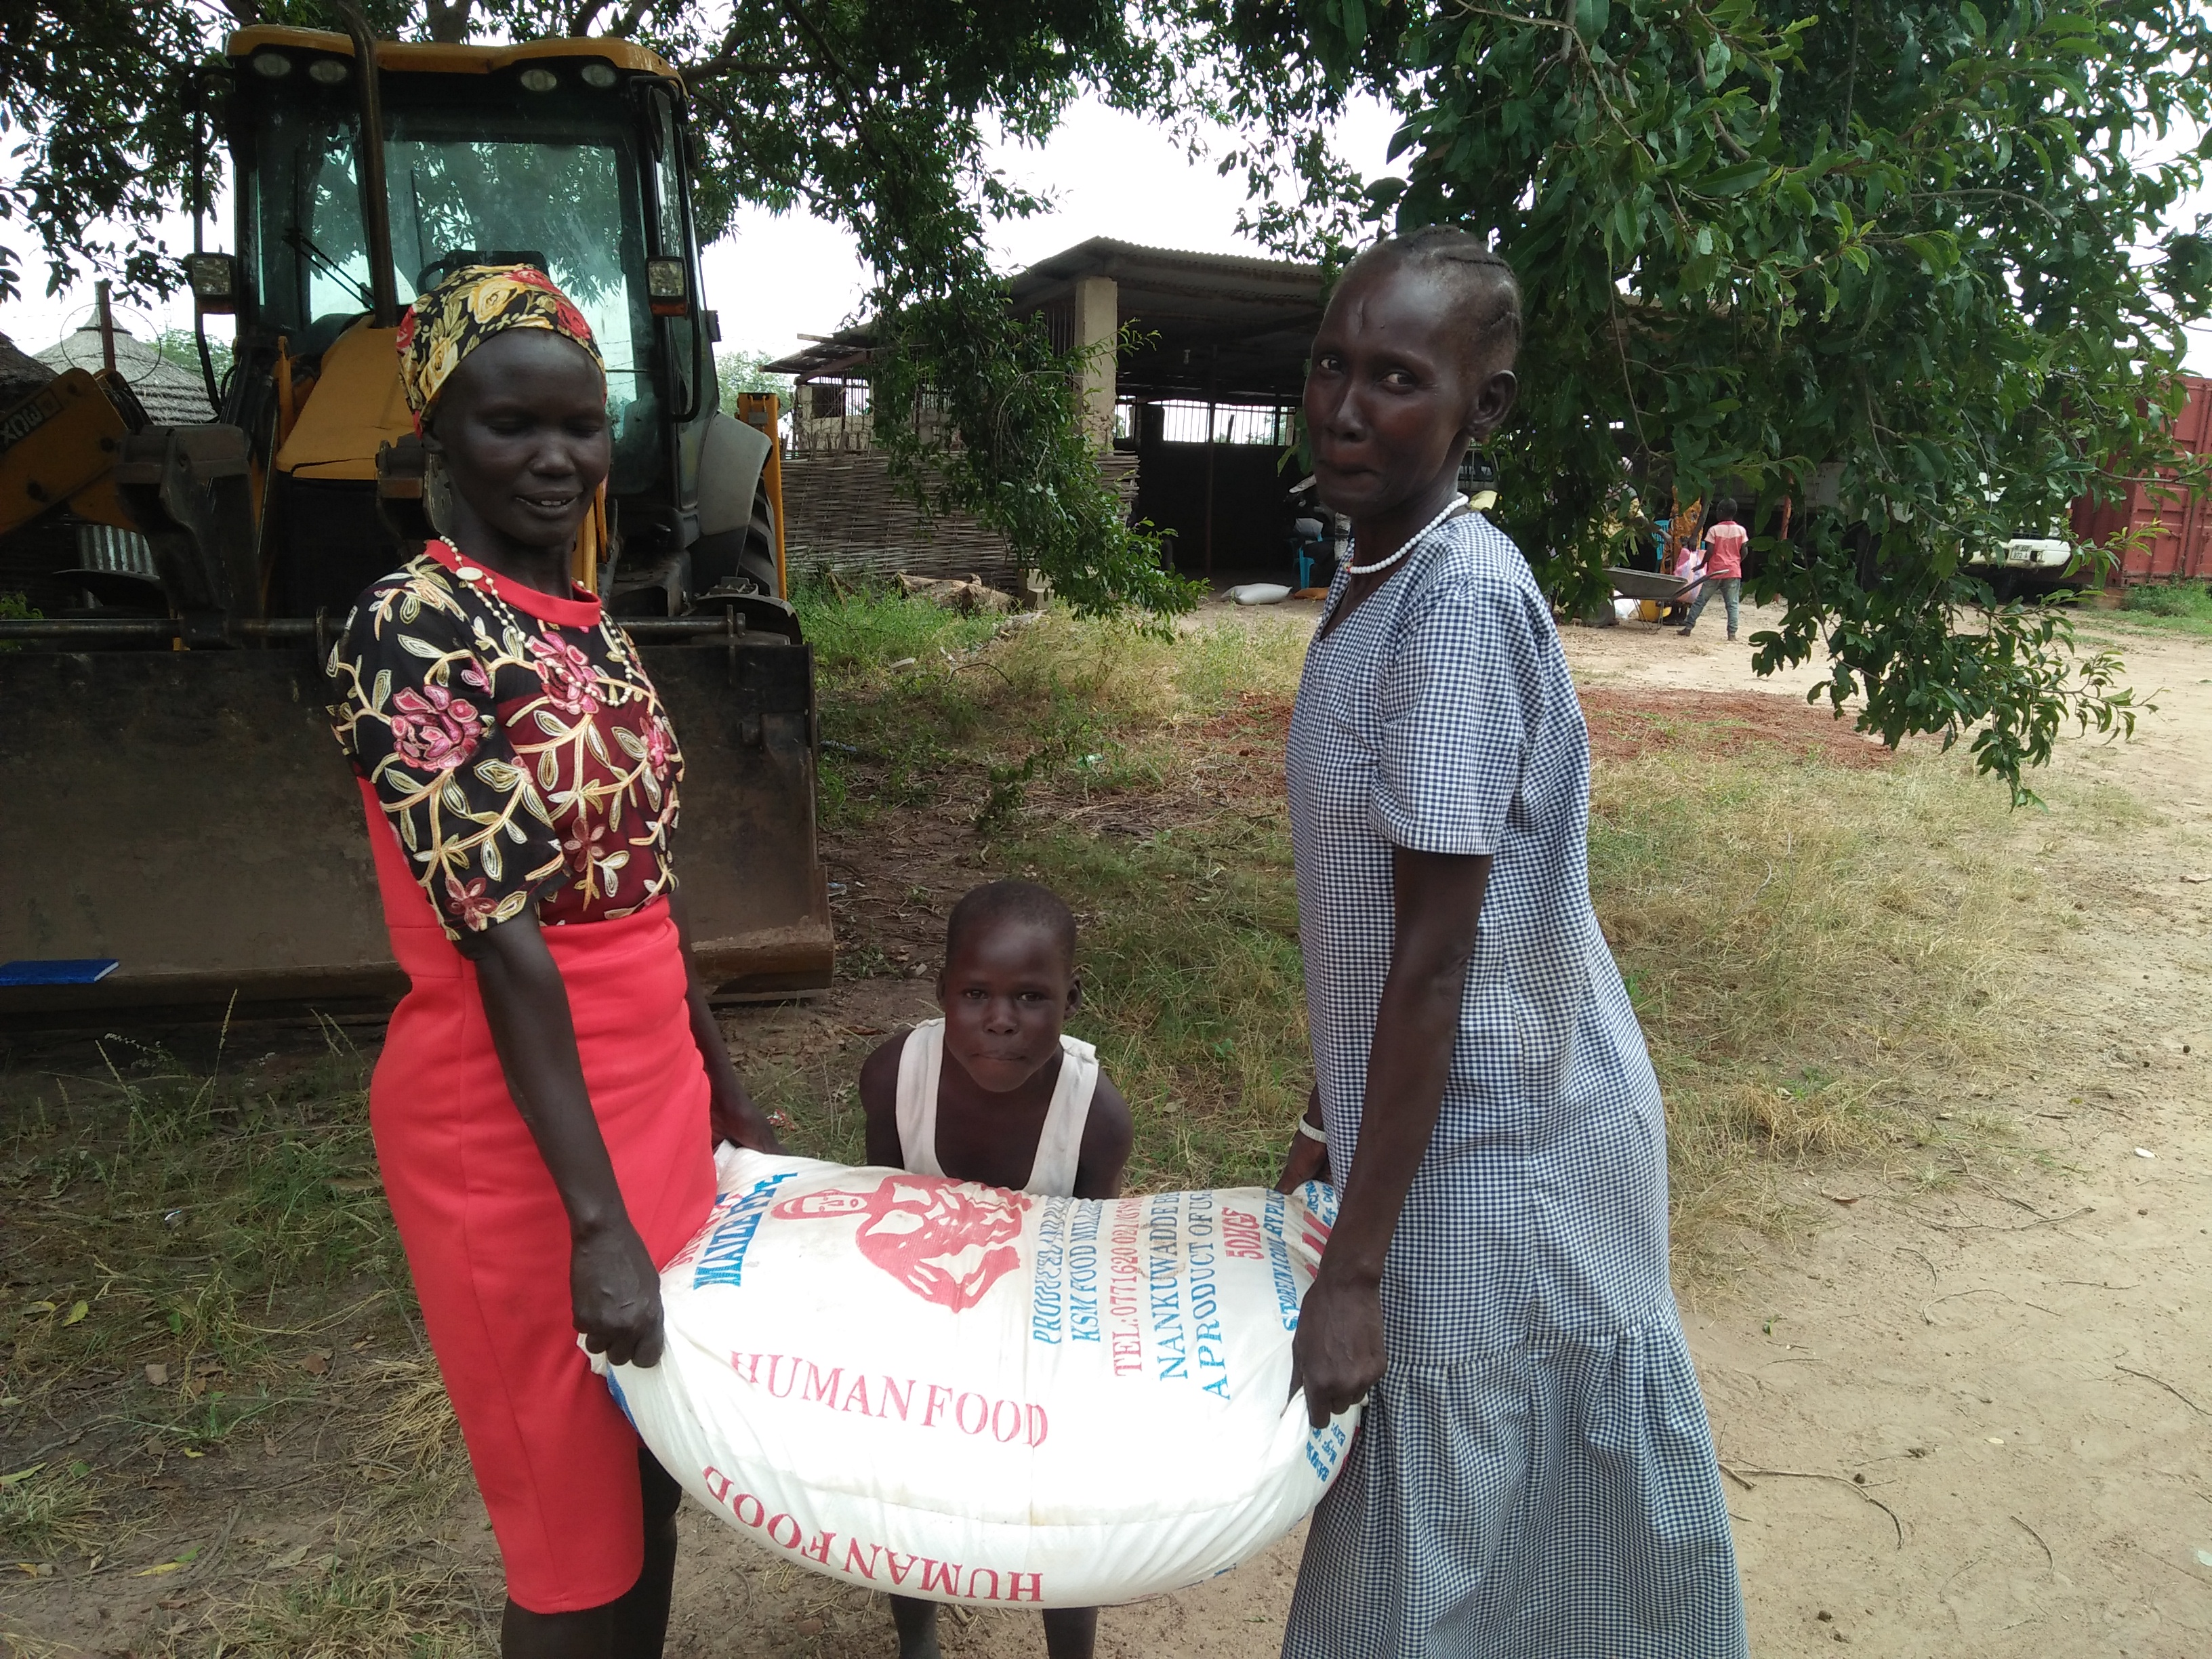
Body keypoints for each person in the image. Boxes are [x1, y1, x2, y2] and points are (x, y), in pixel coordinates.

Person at [1271, 226, 1746, 1657]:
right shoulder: (1381, 578)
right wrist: (1323, 1107)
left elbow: (1432, 959)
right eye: (1333, 367)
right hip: (1455, 1126)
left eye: (1400, 378)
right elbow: (1378, 920)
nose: (1349, 407)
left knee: (1455, 1540)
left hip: (1504, 1153)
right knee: (1493, 1534)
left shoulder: (1459, 604)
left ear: (1487, 406)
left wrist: (1354, 1271)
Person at [325, 264, 783, 1659]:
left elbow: (653, 877)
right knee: (572, 1534)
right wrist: (596, 1225)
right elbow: (508, 944)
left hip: (647, 1107)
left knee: (652, 1481)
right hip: (519, 1138)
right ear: (434, 441)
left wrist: (725, 1094)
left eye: (579, 426)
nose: (555, 458)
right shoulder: (410, 630)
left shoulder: (586, 620)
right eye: (511, 424)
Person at [857, 880, 1134, 1659]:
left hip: (1038, 1336)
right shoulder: (895, 1078)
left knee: (1057, 1506)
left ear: (1071, 1000)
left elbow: (1089, 1263)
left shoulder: (1094, 1118)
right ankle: (918, 1636)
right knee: (907, 1489)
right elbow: (880, 1215)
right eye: (976, 993)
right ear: (942, 991)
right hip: (923, 1326)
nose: (1002, 1019)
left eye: (1031, 998)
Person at [1681, 496, 1747, 638]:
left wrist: (1702, 564)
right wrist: (1737, 562)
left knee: (1701, 601)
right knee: (1732, 604)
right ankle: (1732, 633)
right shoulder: (1741, 530)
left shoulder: (1714, 530)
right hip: (1733, 571)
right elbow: (1745, 551)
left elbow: (1710, 551)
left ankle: (1688, 627)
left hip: (1715, 571)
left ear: (1722, 512)